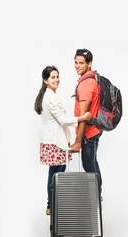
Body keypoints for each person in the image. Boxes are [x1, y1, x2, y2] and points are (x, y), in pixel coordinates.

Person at [34, 65, 91, 215]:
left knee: (58, 172)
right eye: (52, 77)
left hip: (57, 140)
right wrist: (82, 118)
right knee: (55, 174)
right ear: (45, 80)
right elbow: (62, 120)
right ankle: (50, 206)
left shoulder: (50, 95)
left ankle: (53, 203)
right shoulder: (50, 97)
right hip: (54, 141)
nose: (56, 80)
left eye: (57, 76)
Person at [71, 49, 103, 196]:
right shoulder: (93, 78)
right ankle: (98, 192)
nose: (77, 66)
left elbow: (83, 116)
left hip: (88, 133)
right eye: (76, 62)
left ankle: (95, 195)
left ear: (89, 64)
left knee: (88, 164)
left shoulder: (85, 84)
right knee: (93, 161)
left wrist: (78, 141)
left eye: (81, 63)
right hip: (96, 128)